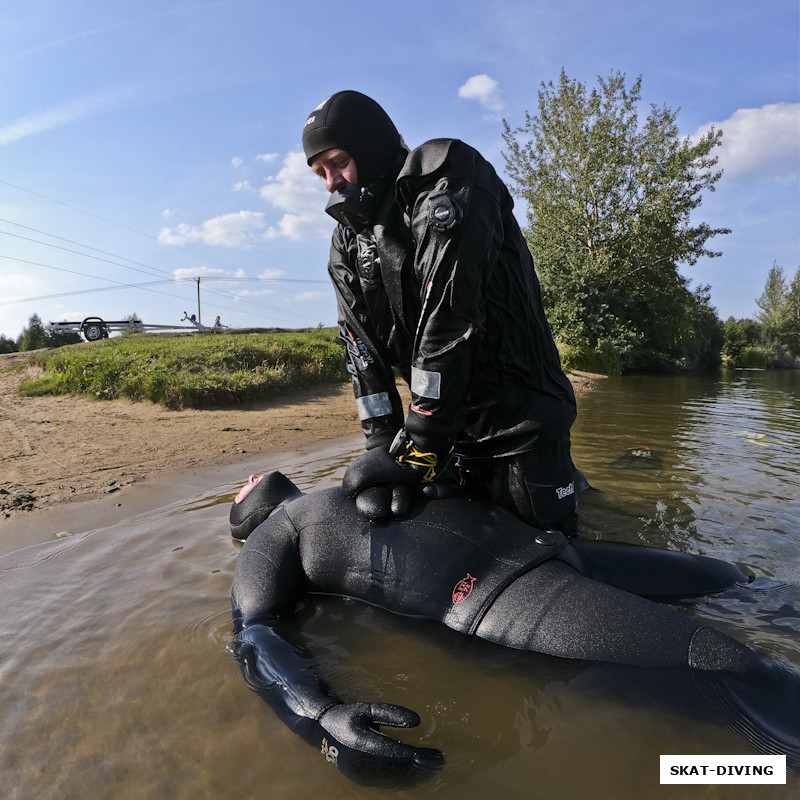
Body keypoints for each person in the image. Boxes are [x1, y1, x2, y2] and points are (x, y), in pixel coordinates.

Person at [229, 471, 799, 782]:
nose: (247, 473)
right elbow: (254, 632)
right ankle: (734, 774)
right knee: (736, 669)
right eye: (240, 487)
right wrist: (319, 719)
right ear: (245, 518)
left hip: (560, 553)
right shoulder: (273, 531)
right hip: (499, 592)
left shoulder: (356, 478)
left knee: (742, 582)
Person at [302, 90, 578, 532]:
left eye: (337, 162)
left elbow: (449, 317)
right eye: (320, 173)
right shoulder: (347, 242)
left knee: (553, 559)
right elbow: (360, 347)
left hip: (520, 429)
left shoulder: (446, 178)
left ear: (371, 147)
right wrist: (381, 447)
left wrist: (422, 440)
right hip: (445, 439)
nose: (331, 182)